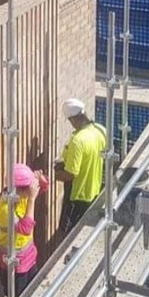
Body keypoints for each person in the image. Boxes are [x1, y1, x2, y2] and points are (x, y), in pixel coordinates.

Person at [54, 98, 107, 233]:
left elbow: (70, 174)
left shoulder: (78, 140)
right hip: (94, 190)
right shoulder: (100, 130)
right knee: (85, 229)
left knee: (68, 231)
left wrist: (51, 175)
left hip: (77, 195)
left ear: (72, 119)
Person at [0, 163, 41, 297]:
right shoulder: (6, 209)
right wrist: (32, 200)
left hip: (29, 258)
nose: (29, 192)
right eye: (27, 189)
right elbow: (26, 229)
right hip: (15, 265)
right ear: (17, 190)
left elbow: (43, 188)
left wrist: (39, 179)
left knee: (33, 296)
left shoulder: (21, 196)